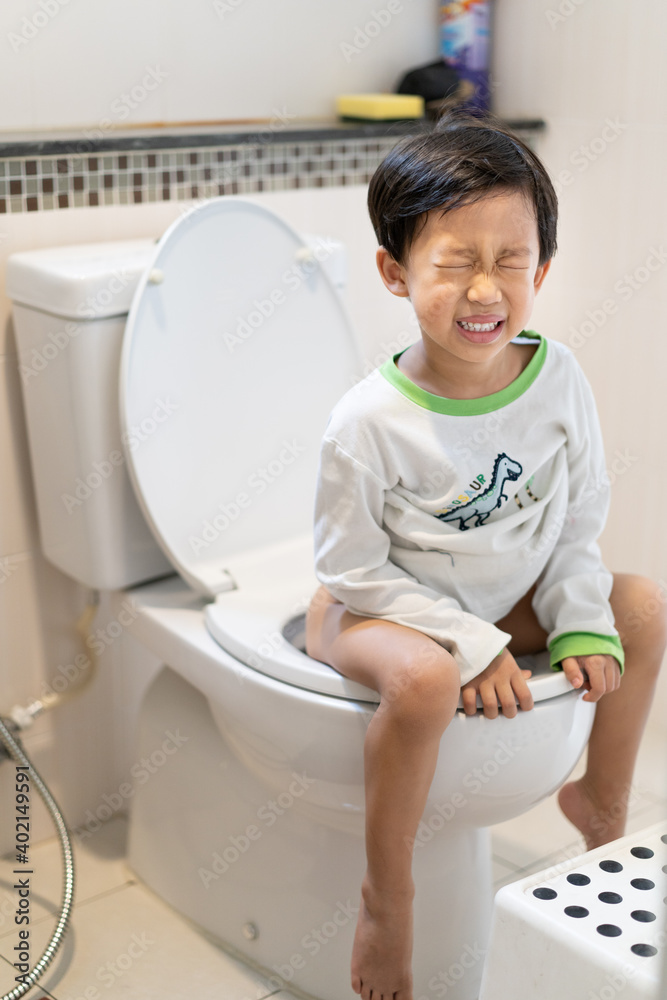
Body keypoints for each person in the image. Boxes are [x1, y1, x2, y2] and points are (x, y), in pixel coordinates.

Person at [304, 110, 667, 1000]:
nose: (484, 290)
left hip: (494, 598)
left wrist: (581, 619)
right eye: (453, 261)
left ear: (540, 268)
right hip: (371, 612)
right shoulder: (367, 423)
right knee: (426, 681)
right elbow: (350, 570)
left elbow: (578, 516)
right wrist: (468, 642)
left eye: (509, 261)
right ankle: (387, 900)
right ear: (395, 273)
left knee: (643, 607)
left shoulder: (558, 380)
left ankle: (602, 804)